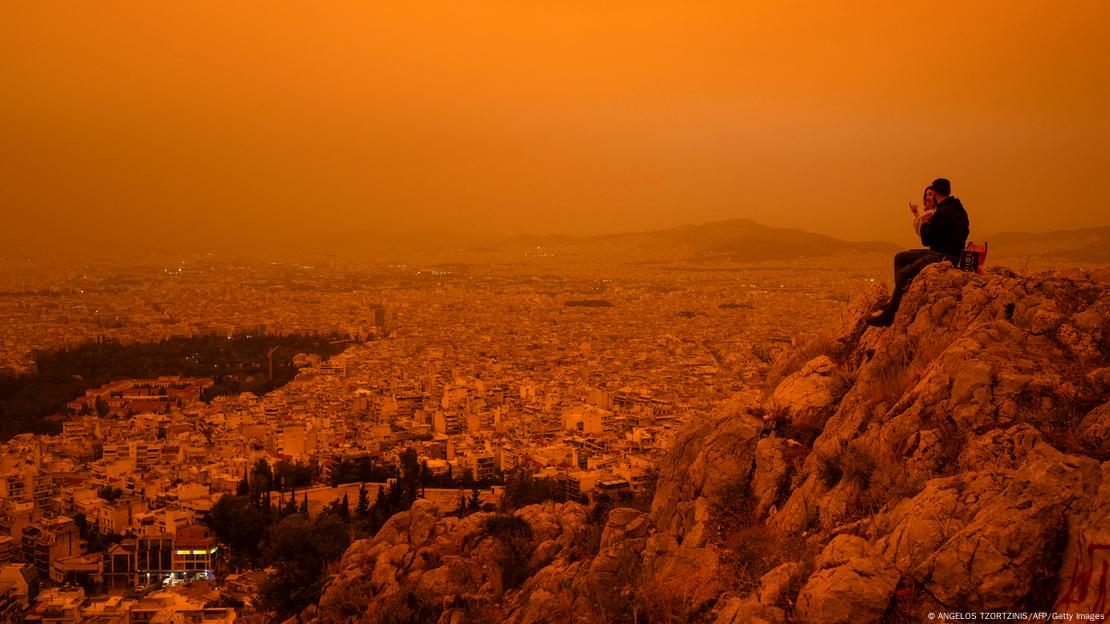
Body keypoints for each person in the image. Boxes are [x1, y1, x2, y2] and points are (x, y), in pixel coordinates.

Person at [867, 177, 970, 327]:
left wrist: (926, 224)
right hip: (949, 253)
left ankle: (889, 315)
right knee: (901, 257)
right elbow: (965, 232)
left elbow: (927, 240)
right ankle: (899, 298)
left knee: (903, 273)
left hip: (944, 256)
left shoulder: (943, 212)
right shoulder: (959, 210)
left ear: (934, 193)